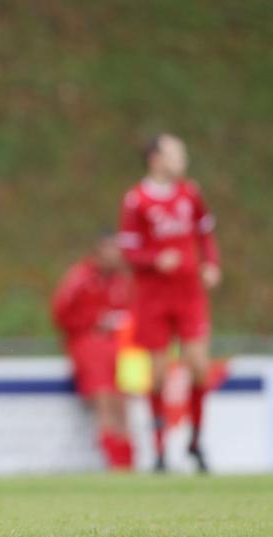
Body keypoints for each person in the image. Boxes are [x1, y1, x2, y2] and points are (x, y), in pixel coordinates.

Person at [117, 133, 221, 472]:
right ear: (156, 159)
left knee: (199, 366)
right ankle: (160, 451)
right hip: (153, 297)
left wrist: (210, 264)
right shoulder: (136, 201)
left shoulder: (190, 193)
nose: (182, 160)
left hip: (189, 293)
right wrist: (154, 260)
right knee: (159, 373)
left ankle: (196, 441)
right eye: (176, 154)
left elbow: (205, 233)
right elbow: (129, 250)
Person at [52, 234, 133, 469]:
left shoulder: (122, 280)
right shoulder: (80, 277)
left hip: (118, 346)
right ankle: (113, 458)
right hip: (88, 343)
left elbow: (133, 312)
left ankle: (127, 459)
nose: (116, 256)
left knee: (122, 399)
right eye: (111, 250)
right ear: (98, 252)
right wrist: (94, 322)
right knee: (103, 397)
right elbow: (61, 313)